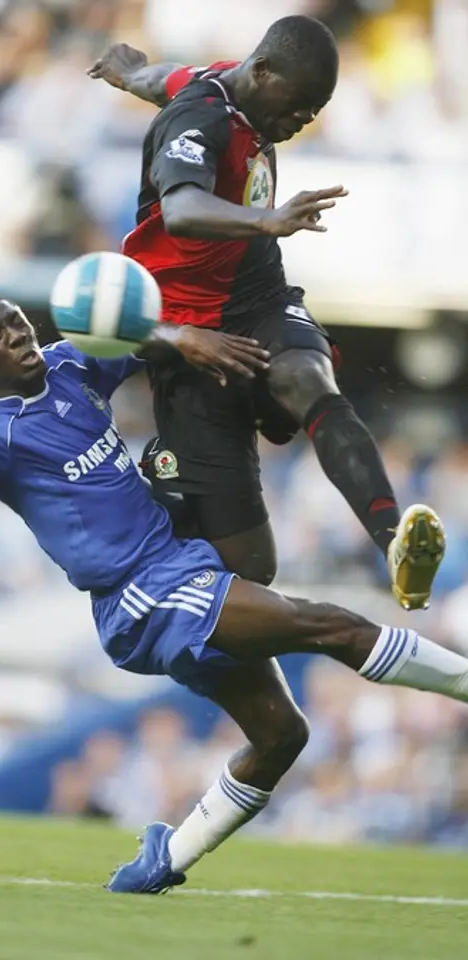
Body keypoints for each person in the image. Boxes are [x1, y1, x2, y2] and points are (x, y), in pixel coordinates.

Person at [0, 294, 467, 895]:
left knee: (282, 737)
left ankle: (164, 859)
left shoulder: (70, 363)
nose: (18, 337)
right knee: (332, 625)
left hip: (180, 566)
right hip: (145, 595)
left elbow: (140, 343)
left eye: (19, 322)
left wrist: (185, 337)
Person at [88, 16, 446, 612]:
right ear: (262, 71)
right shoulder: (199, 117)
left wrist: (128, 72)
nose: (304, 120)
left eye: (316, 109)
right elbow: (180, 209)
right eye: (300, 104)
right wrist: (269, 220)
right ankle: (160, 496)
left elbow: (161, 79)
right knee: (254, 567)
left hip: (259, 303)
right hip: (188, 335)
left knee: (309, 380)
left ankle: (394, 546)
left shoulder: (217, 88)